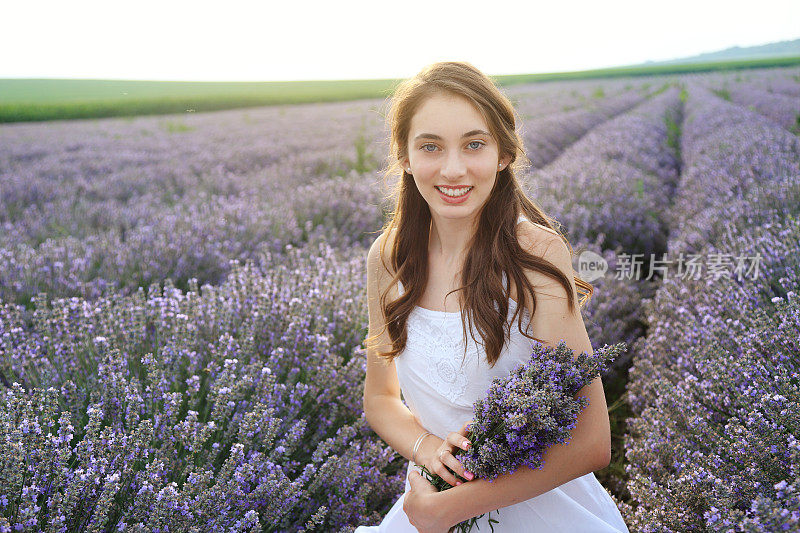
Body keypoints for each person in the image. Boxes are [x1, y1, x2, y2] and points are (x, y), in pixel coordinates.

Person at [356, 61, 629, 533]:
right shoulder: (388, 257)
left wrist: (454, 509)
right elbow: (380, 398)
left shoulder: (535, 253)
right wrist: (429, 450)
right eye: (430, 147)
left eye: (474, 144)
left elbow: (592, 441)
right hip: (430, 501)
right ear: (403, 155)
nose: (453, 168)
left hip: (539, 508)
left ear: (504, 153)